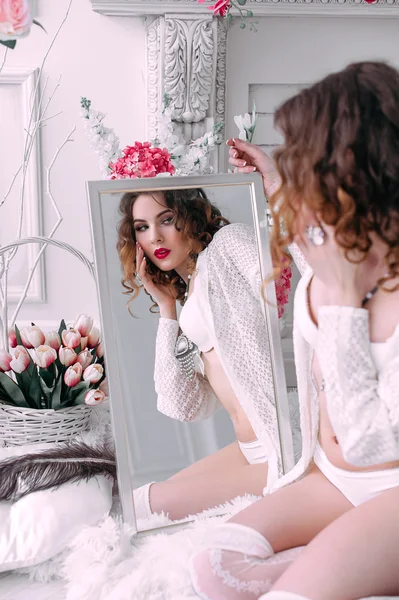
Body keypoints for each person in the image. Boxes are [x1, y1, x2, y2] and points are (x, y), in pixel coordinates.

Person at [189, 60, 399, 600]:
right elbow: (311, 258)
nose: (296, 166)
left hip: (390, 492)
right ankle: (341, 565)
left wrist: (347, 304)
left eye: (303, 154)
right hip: (332, 478)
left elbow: (370, 442)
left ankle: (342, 566)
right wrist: (273, 178)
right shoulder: (334, 249)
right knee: (216, 566)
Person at [116, 187, 297, 523]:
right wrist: (167, 308)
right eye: (142, 227)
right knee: (136, 510)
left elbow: (275, 282)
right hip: (248, 450)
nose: (155, 236)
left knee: (140, 508)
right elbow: (181, 404)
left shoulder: (226, 245)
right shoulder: (190, 295)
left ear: (190, 216)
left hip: (282, 445)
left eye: (166, 220)